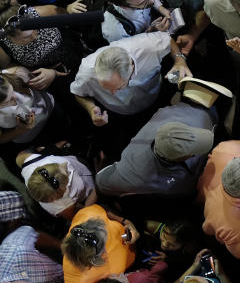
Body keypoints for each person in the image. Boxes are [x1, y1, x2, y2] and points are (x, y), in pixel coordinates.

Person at [94, 78, 232, 197]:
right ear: (181, 158)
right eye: (192, 152)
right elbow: (101, 186)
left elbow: (101, 182)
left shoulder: (165, 114)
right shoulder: (138, 176)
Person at [70, 32, 190, 125]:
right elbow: (78, 93)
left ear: (132, 67)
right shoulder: (86, 74)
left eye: (119, 87)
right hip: (123, 115)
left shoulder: (147, 46)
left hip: (156, 93)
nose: (112, 94)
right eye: (105, 88)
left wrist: (179, 60)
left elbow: (168, 39)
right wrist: (91, 108)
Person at [61, 204, 138, 283]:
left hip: (135, 248)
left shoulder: (89, 214)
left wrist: (127, 222)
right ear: (94, 260)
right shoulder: (78, 280)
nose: (109, 232)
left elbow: (105, 211)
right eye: (105, 239)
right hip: (132, 269)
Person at [0, 69, 56, 145]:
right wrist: (21, 130)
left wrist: (51, 73)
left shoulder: (15, 73)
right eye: (8, 101)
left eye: (13, 89)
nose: (17, 97)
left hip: (49, 105)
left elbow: (40, 79)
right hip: (32, 135)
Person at [17, 147, 96, 219]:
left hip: (81, 162)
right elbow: (79, 217)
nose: (66, 167)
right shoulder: (56, 205)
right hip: (90, 193)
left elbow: (21, 156)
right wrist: (97, 188)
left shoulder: (32, 163)